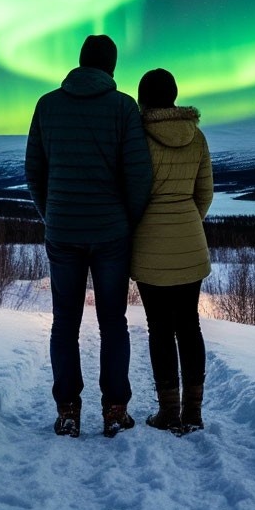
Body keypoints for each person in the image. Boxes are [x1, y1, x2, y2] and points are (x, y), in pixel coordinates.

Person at [25, 34, 153, 439]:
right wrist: (126, 221)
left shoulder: (47, 105)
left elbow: (34, 172)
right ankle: (115, 409)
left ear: (80, 63)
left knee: (64, 322)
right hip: (111, 232)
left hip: (62, 232)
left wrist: (53, 215)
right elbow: (138, 175)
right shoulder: (122, 107)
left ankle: (67, 410)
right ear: (111, 67)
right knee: (113, 321)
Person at [132, 67, 213, 435]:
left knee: (160, 329)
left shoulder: (137, 137)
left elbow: (131, 193)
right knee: (190, 325)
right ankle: (193, 412)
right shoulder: (197, 136)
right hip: (190, 242)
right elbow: (205, 194)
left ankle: (169, 411)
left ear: (144, 98)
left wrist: (146, 226)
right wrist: (186, 222)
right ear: (175, 95)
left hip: (150, 245)